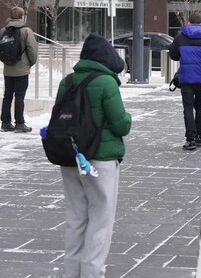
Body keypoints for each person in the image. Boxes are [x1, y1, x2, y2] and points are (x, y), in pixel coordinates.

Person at [58, 33, 132, 277]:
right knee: (100, 220)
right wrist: (128, 117)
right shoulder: (106, 82)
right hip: (100, 160)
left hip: (70, 158)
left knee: (76, 218)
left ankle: (71, 272)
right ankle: (91, 273)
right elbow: (121, 125)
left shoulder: (68, 82)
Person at [168, 12, 201, 151]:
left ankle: (190, 139)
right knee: (200, 106)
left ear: (188, 21)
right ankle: (199, 136)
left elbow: (173, 55)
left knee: (188, 107)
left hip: (186, 77)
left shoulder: (181, 37)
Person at [0, 6, 38, 132]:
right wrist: (30, 63)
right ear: (22, 16)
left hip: (8, 69)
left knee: (7, 96)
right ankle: (20, 123)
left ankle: (5, 123)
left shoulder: (3, 31)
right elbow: (32, 50)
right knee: (20, 97)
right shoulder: (26, 31)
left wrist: (6, 61)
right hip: (22, 69)